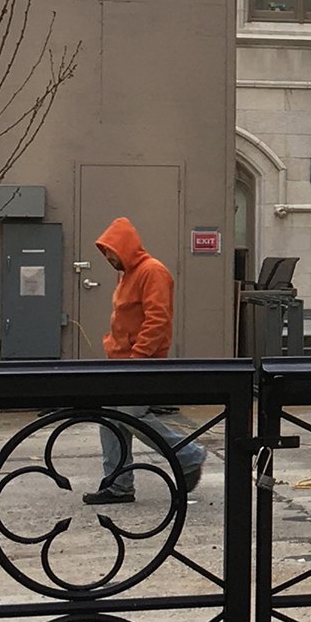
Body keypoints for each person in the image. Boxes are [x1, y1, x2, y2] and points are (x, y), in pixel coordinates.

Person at [84, 217, 208, 506]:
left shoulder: (151, 272)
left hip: (139, 363)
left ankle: (188, 455)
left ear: (124, 247)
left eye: (110, 251)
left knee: (131, 416)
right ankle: (118, 486)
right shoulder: (128, 274)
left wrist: (138, 358)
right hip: (124, 362)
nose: (108, 257)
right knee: (111, 419)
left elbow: (158, 320)